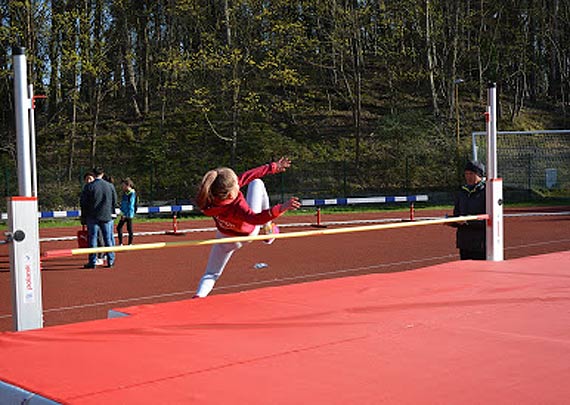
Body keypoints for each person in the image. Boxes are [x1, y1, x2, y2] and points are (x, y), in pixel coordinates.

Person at [193, 157, 301, 298]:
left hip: (224, 238)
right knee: (257, 183)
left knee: (211, 274)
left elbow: (247, 175)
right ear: (232, 193)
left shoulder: (208, 200)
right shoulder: (238, 205)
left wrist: (273, 167)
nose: (240, 183)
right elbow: (256, 219)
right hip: (247, 234)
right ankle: (268, 229)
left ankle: (198, 298)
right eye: (237, 183)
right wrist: (281, 208)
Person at [80, 167, 118, 268]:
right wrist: (111, 212)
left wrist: (83, 217)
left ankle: (92, 261)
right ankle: (111, 260)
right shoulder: (110, 186)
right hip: (106, 216)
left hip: (92, 216)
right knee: (108, 239)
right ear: (102, 174)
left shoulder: (89, 187)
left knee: (92, 238)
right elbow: (114, 200)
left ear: (93, 174)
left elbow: (83, 203)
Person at [448, 160, 487, 260]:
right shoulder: (462, 192)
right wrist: (451, 221)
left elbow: (489, 220)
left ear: (479, 175)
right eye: (466, 174)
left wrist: (468, 221)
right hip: (464, 243)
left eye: (471, 174)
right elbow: (457, 214)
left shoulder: (487, 192)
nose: (468, 177)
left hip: (480, 244)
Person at [81, 172, 106, 266]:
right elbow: (83, 204)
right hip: (90, 217)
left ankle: (101, 256)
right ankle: (95, 257)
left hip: (99, 216)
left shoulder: (97, 188)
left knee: (99, 237)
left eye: (90, 179)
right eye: (86, 179)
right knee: (93, 238)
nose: (88, 181)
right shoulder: (85, 189)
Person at [117, 177, 137, 245]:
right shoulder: (124, 193)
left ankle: (130, 244)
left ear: (128, 185)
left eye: (123, 185)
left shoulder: (132, 193)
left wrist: (127, 214)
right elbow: (123, 203)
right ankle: (121, 243)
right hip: (124, 213)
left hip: (128, 214)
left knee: (129, 229)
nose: (122, 187)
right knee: (119, 227)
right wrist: (122, 211)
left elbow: (131, 205)